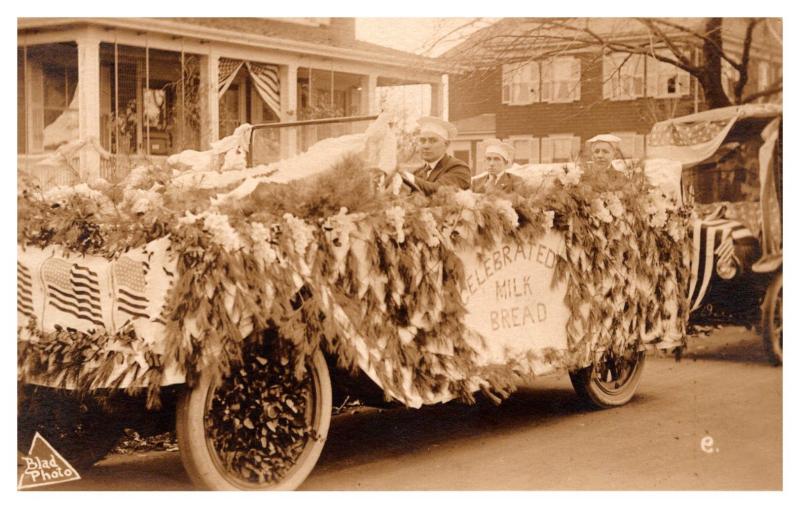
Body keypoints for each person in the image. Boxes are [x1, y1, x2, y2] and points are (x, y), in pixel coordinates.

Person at [400, 116, 471, 195]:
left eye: (432, 141)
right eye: (422, 141)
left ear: (446, 144)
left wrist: (403, 174)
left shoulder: (459, 168)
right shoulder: (418, 172)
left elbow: (438, 190)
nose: (426, 146)